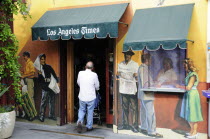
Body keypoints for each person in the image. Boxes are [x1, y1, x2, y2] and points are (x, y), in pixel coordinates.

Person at [137, 53, 163, 138]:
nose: (151, 61)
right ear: (147, 60)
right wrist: (155, 85)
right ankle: (152, 131)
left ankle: (144, 127)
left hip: (142, 94)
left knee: (144, 111)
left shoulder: (141, 68)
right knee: (150, 113)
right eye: (150, 59)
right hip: (147, 94)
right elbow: (146, 84)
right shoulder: (144, 69)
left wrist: (153, 82)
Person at [176, 58, 203, 138]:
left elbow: (188, 87)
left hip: (192, 96)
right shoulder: (190, 74)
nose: (184, 67)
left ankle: (194, 133)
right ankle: (192, 131)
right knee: (189, 114)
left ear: (189, 65)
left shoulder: (193, 75)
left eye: (185, 66)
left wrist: (179, 86)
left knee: (192, 114)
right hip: (189, 95)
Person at [117, 49, 139, 133]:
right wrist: (119, 74)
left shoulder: (135, 64)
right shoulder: (121, 64)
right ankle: (125, 124)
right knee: (125, 107)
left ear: (131, 56)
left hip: (131, 88)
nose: (127, 56)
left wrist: (134, 75)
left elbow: (136, 75)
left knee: (133, 108)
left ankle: (134, 126)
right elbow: (118, 73)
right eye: (126, 54)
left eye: (128, 54)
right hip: (123, 88)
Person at [76, 61, 100, 133]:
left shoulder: (80, 73)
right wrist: (97, 89)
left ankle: (80, 121)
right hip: (91, 97)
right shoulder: (94, 75)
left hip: (82, 96)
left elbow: (78, 83)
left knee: (81, 109)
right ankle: (89, 126)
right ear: (92, 68)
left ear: (85, 67)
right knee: (90, 111)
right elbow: (97, 86)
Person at [37, 54, 58, 122]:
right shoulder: (39, 69)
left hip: (51, 86)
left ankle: (51, 115)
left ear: (45, 59)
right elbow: (39, 80)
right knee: (43, 102)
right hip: (45, 87)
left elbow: (54, 74)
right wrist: (39, 75)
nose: (42, 60)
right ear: (39, 60)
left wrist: (56, 81)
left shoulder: (48, 67)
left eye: (43, 59)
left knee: (52, 101)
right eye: (41, 59)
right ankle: (41, 116)